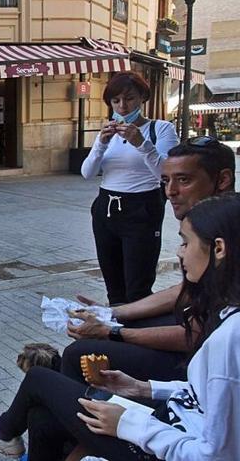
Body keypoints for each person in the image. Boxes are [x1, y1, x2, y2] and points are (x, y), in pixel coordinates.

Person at [0, 193, 240, 460]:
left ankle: (2, 431)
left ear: (218, 248)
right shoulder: (227, 315)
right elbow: (203, 398)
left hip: (164, 439)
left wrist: (128, 425)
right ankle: (5, 432)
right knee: (42, 416)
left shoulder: (229, 338)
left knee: (39, 378)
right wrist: (143, 388)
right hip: (171, 422)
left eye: (185, 243)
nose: (179, 254)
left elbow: (218, 455)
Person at [63, 138, 236, 383]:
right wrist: (113, 313)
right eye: (165, 181)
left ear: (223, 180)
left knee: (77, 354)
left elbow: (198, 333)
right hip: (201, 344)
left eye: (184, 180)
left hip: (207, 366)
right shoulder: (207, 222)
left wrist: (113, 332)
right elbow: (185, 291)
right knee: (128, 322)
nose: (170, 191)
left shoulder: (229, 230)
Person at [81, 72, 179, 305]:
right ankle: (115, 333)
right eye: (116, 101)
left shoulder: (161, 129)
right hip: (106, 209)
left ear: (142, 98)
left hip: (141, 208)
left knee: (138, 286)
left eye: (129, 99)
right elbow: (87, 173)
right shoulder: (108, 133)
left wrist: (142, 144)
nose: (123, 106)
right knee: (114, 287)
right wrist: (100, 145)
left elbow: (166, 175)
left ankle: (137, 334)